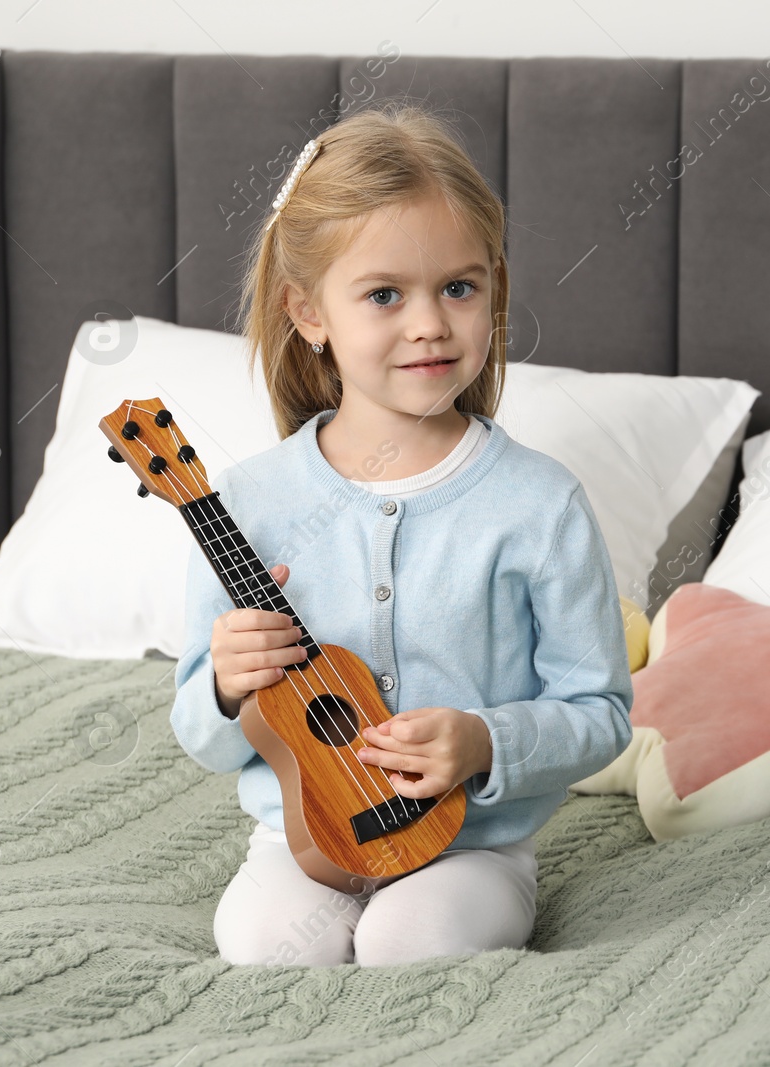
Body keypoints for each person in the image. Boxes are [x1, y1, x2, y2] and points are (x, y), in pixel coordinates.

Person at [167, 101, 635, 967]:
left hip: (473, 847)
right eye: (385, 294)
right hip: (296, 844)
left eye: (458, 287)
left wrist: (486, 739)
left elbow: (601, 712)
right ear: (308, 312)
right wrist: (227, 689)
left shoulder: (539, 505)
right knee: (267, 950)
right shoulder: (245, 502)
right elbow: (202, 732)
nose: (429, 323)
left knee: (406, 945)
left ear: (493, 286)